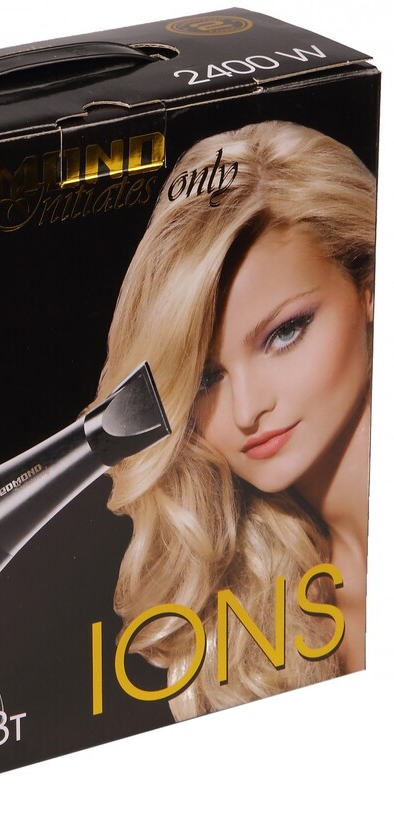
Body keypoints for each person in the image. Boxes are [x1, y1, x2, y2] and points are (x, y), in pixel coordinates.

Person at [95, 121, 375, 720]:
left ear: (369, 285)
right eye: (206, 378)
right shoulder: (255, 612)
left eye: (285, 333)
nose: (248, 411)